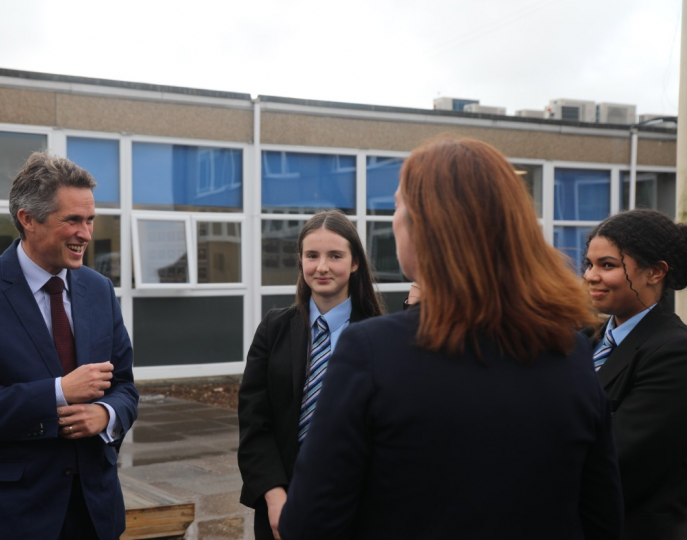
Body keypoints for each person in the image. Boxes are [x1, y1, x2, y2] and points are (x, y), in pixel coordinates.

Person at [278, 137, 624, 540]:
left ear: (423, 227)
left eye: (397, 205)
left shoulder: (371, 351)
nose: (393, 220)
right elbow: (603, 519)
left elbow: (309, 525)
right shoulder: (573, 352)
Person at [0, 152, 138, 540]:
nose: (86, 234)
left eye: (90, 220)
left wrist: (106, 415)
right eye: (72, 220)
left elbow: (124, 386)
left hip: (93, 512)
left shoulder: (99, 290)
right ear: (28, 219)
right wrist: (58, 392)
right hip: (3, 517)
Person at [238, 209, 385, 540]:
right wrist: (275, 497)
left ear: (356, 262)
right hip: (282, 502)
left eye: (335, 255)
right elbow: (253, 423)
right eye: (312, 255)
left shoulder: (380, 335)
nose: (322, 267)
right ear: (300, 260)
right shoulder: (274, 328)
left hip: (357, 508)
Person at [582, 208, 687, 539]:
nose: (590, 275)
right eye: (589, 264)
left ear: (655, 272)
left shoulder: (674, 351)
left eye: (607, 265)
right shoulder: (588, 341)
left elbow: (618, 455)